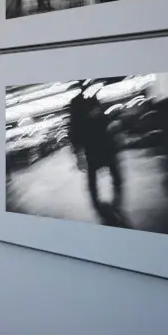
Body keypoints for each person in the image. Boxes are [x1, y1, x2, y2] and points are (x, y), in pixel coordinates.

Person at [66, 82, 129, 227]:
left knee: (109, 176)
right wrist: (78, 153)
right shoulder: (77, 103)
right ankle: (105, 208)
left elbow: (100, 120)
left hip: (102, 144)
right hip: (92, 146)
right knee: (98, 178)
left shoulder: (94, 98)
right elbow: (75, 128)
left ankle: (111, 207)